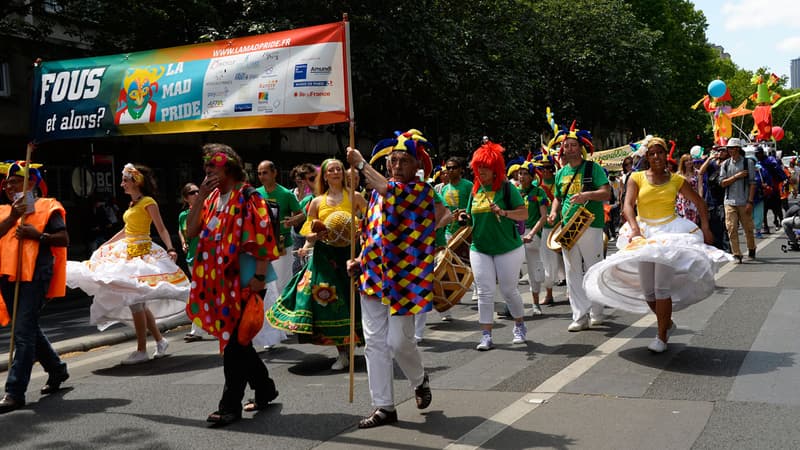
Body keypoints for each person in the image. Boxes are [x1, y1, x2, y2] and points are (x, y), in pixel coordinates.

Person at [346, 129, 450, 428]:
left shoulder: (420, 191)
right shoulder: (377, 195)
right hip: (373, 276)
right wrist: (358, 259)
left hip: (405, 280)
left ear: (417, 166)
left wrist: (361, 162)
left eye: (403, 161)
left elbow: (392, 193)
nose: (395, 166)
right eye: (392, 160)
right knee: (374, 343)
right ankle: (384, 407)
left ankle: (418, 379)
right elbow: (372, 233)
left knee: (399, 343)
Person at [584, 137, 729, 352]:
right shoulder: (637, 177)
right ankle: (667, 323)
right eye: (652, 153)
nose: (656, 157)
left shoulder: (676, 180)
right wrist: (634, 228)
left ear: (665, 155)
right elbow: (627, 206)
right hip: (644, 232)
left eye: (660, 152)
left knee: (661, 288)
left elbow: (699, 203)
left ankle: (661, 336)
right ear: (647, 157)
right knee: (648, 292)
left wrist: (706, 228)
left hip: (670, 234)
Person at [185, 143, 280, 426]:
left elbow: (264, 238)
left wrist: (259, 278)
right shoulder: (212, 198)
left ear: (226, 165)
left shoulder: (249, 196)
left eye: (210, 166)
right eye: (205, 167)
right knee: (239, 342)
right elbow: (191, 231)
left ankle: (229, 406)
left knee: (234, 347)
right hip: (219, 284)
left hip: (248, 281)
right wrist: (200, 196)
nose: (207, 171)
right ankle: (265, 388)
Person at [67, 163, 189, 365]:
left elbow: (162, 228)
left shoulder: (148, 202)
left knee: (135, 300)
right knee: (137, 300)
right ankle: (160, 341)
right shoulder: (132, 204)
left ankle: (142, 350)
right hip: (126, 251)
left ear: (135, 182)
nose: (122, 184)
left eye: (125, 180)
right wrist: (107, 245)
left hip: (141, 253)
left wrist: (170, 248)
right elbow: (126, 229)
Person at [267, 158, 367, 370]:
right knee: (330, 300)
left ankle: (357, 346)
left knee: (354, 300)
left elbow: (370, 221)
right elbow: (308, 230)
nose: (336, 172)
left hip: (351, 254)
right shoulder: (316, 202)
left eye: (339, 169)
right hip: (325, 255)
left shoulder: (355, 197)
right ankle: (342, 352)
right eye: (331, 170)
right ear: (325, 175)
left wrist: (360, 230)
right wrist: (310, 240)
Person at [0, 160, 70, 414]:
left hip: (35, 276)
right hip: (8, 278)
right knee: (27, 328)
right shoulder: (4, 211)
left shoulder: (47, 206)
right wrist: (15, 216)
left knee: (22, 333)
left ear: (31, 183)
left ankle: (14, 391)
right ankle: (57, 369)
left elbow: (63, 239)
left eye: (15, 181)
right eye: (7, 183)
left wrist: (37, 235)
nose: (9, 186)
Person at [459, 139, 527, 350]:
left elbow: (523, 213)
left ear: (495, 167)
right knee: (485, 292)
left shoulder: (507, 188)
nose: (482, 170)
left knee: (508, 290)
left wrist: (504, 213)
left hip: (508, 248)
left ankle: (519, 324)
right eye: (479, 166)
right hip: (480, 248)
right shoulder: (475, 191)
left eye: (486, 166)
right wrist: (463, 217)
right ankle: (486, 334)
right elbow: (471, 217)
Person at [546, 123, 611, 332]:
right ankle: (579, 315)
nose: (569, 149)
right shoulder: (560, 173)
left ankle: (597, 311)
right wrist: (554, 212)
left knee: (593, 267)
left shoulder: (593, 168)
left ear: (581, 148)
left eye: (573, 145)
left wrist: (587, 196)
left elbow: (606, 193)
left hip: (589, 222)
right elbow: (557, 197)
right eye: (566, 146)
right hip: (568, 224)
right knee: (572, 270)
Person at [256, 160, 304, 293]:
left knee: (282, 282)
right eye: (259, 173)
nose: (262, 176)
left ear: (274, 173)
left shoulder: (286, 194)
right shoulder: (255, 194)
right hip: (262, 244)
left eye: (265, 173)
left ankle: (282, 312)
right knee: (265, 284)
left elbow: (301, 214)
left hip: (282, 243)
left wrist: (293, 220)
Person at [438, 156, 474, 315]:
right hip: (448, 231)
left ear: (461, 170)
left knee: (470, 260)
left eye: (453, 168)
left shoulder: (468, 186)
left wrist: (464, 214)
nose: (450, 170)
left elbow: (472, 205)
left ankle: (477, 289)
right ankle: (454, 290)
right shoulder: (443, 189)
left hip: (466, 229)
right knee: (449, 263)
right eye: (448, 168)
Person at [517, 162, 550, 315]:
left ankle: (536, 304)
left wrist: (531, 233)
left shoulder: (538, 192)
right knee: (513, 270)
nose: (521, 177)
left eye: (525, 174)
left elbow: (544, 217)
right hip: (516, 235)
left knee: (534, 269)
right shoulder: (514, 192)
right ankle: (513, 305)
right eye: (520, 173)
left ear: (532, 177)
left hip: (533, 236)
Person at [719, 138, 757, 263]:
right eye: (729, 148)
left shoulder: (748, 163)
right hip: (729, 201)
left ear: (738, 149)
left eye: (733, 148)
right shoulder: (725, 164)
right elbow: (722, 183)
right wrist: (736, 176)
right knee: (731, 227)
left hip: (744, 201)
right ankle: (736, 253)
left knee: (748, 228)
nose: (730, 150)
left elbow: (752, 183)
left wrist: (750, 202)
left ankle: (751, 248)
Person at [178, 182, 204, 342]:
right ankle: (198, 329)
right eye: (192, 192)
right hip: (193, 257)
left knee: (203, 292)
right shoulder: (183, 215)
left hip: (208, 256)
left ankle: (199, 329)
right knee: (198, 293)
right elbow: (182, 230)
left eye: (197, 191)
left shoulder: (206, 209)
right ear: (186, 198)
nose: (196, 194)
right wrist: (183, 242)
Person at [698, 146, 731, 252]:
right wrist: (709, 159)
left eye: (723, 151)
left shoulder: (728, 164)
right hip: (711, 198)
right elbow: (701, 172)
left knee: (724, 224)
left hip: (724, 197)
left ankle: (727, 248)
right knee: (713, 223)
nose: (720, 153)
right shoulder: (712, 164)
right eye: (719, 150)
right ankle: (717, 247)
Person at [675, 154, 699, 224]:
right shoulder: (678, 175)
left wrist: (699, 202)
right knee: (682, 223)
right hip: (682, 201)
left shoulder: (697, 173)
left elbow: (700, 188)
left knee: (694, 224)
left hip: (694, 200)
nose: (689, 162)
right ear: (683, 163)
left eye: (690, 160)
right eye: (686, 161)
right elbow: (676, 190)